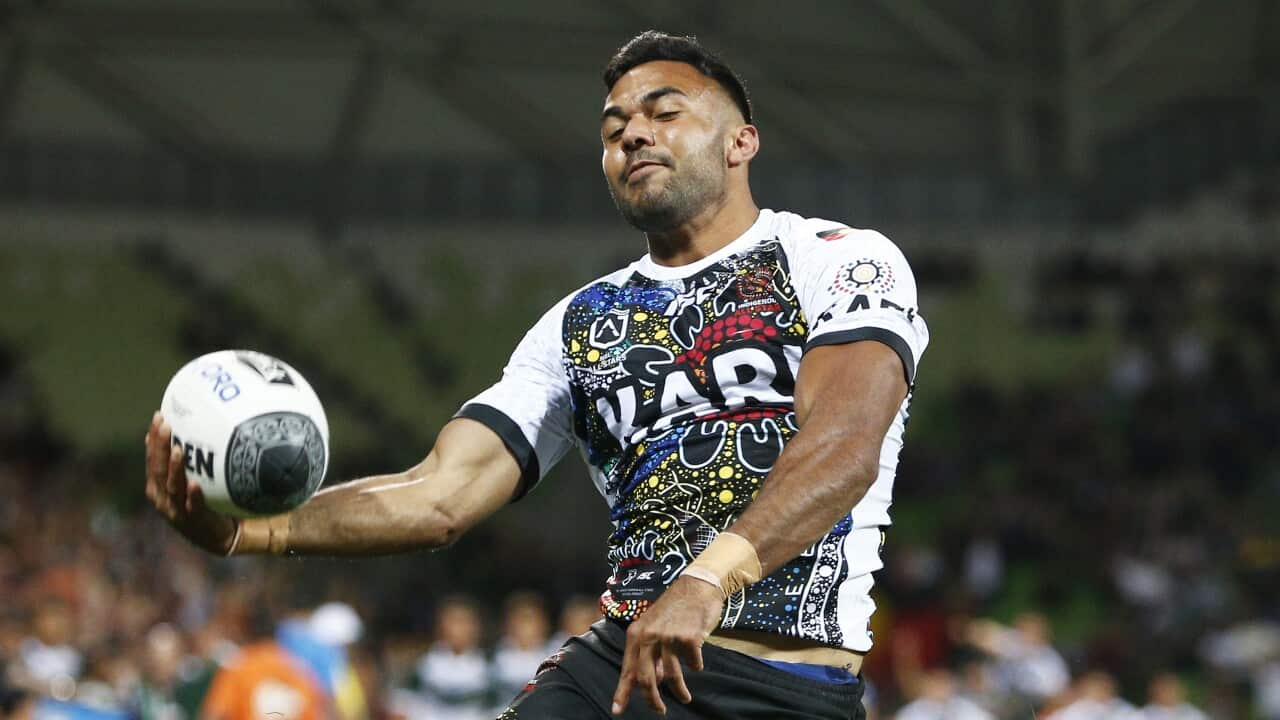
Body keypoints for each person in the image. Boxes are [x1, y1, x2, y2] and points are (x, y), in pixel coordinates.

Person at [144, 30, 928, 720]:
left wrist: (706, 581)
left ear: (741, 141)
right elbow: (440, 495)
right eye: (614, 127)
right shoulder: (577, 324)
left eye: (664, 113)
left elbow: (845, 444)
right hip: (625, 669)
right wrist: (254, 531)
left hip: (784, 686)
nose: (633, 136)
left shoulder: (837, 259)